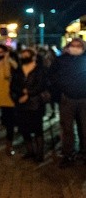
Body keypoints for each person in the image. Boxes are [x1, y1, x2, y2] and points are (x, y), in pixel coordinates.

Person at [49, 38, 86, 167]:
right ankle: (68, 154)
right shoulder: (61, 60)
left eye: (78, 45)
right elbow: (52, 76)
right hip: (67, 98)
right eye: (73, 45)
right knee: (67, 128)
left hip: (84, 99)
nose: (75, 47)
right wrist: (60, 88)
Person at [11, 47, 50, 162]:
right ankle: (30, 151)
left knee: (37, 129)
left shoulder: (40, 70)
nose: (24, 57)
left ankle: (39, 153)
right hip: (21, 104)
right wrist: (20, 93)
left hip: (36, 103)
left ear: (33, 57)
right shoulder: (18, 70)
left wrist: (28, 93)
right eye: (23, 55)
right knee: (24, 128)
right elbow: (13, 85)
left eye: (27, 55)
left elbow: (42, 85)